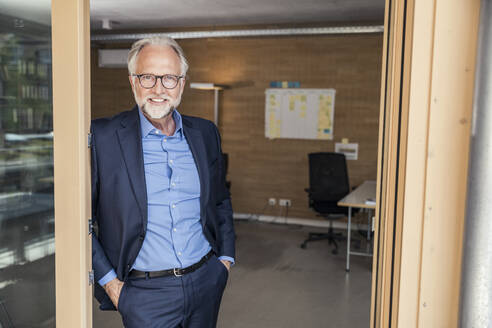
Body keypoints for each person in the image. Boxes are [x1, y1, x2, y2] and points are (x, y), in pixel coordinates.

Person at [90, 36, 235, 328]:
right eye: (148, 77)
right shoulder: (103, 137)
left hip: (206, 280)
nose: (158, 89)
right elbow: (80, 220)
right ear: (133, 81)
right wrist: (110, 284)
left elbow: (220, 200)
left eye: (169, 78)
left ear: (181, 83)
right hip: (143, 294)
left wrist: (225, 261)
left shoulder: (205, 133)